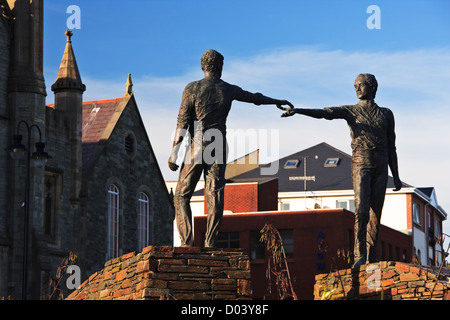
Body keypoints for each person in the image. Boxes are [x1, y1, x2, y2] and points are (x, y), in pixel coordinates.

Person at [169, 49, 293, 248]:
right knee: (215, 193)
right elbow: (255, 98)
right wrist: (277, 101)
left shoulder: (192, 88)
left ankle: (187, 242)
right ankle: (210, 242)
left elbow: (182, 121)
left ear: (203, 66)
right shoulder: (228, 89)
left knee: (182, 194)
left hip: (199, 142)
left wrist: (174, 153)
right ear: (220, 66)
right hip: (218, 143)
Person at [279, 73, 402, 267]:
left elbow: (392, 146)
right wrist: (299, 111)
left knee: (375, 213)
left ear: (372, 87)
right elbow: (325, 113)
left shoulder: (386, 114)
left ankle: (372, 255)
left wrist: (395, 175)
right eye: (355, 86)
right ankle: (359, 254)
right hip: (361, 163)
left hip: (381, 165)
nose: (357, 89)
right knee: (361, 210)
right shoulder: (351, 111)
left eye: (361, 85)